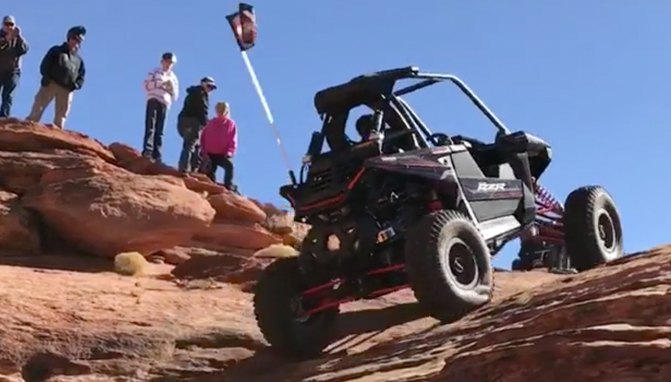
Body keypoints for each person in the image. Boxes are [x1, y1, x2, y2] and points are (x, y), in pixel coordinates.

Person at [26, 25, 86, 129]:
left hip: (67, 89)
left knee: (62, 113)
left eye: (79, 41)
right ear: (69, 38)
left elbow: (81, 76)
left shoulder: (78, 60)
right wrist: (46, 77)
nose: (76, 43)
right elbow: (45, 64)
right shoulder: (57, 50)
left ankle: (57, 132)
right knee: (38, 106)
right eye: (75, 39)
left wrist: (76, 85)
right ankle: (29, 126)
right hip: (51, 83)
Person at [142, 52, 179, 163]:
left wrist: (171, 88)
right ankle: (148, 151)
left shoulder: (174, 78)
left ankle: (157, 154)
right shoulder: (154, 71)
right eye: (166, 61)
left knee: (160, 129)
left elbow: (175, 96)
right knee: (150, 125)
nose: (168, 64)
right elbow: (145, 85)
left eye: (170, 62)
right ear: (162, 61)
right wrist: (159, 84)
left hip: (165, 103)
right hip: (153, 99)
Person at [176, 76, 217, 173]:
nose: (210, 89)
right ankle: (185, 169)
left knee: (192, 145)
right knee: (191, 145)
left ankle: (189, 169)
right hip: (193, 122)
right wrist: (206, 124)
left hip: (183, 121)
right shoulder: (201, 94)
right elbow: (203, 111)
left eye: (212, 88)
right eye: (209, 86)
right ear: (202, 83)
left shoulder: (193, 92)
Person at [199, 101, 237, 189]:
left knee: (229, 166)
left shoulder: (231, 124)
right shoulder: (211, 122)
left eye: (224, 110)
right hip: (209, 154)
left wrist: (230, 152)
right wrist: (203, 151)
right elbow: (203, 137)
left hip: (222, 154)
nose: (222, 112)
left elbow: (233, 139)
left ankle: (228, 185)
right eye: (220, 110)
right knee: (210, 173)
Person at [0, 16, 28, 118]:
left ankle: (3, 117)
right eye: (7, 24)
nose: (9, 27)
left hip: (13, 71)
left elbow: (24, 49)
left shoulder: (17, 38)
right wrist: (7, 39)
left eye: (11, 24)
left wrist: (19, 36)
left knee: (8, 95)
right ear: (3, 25)